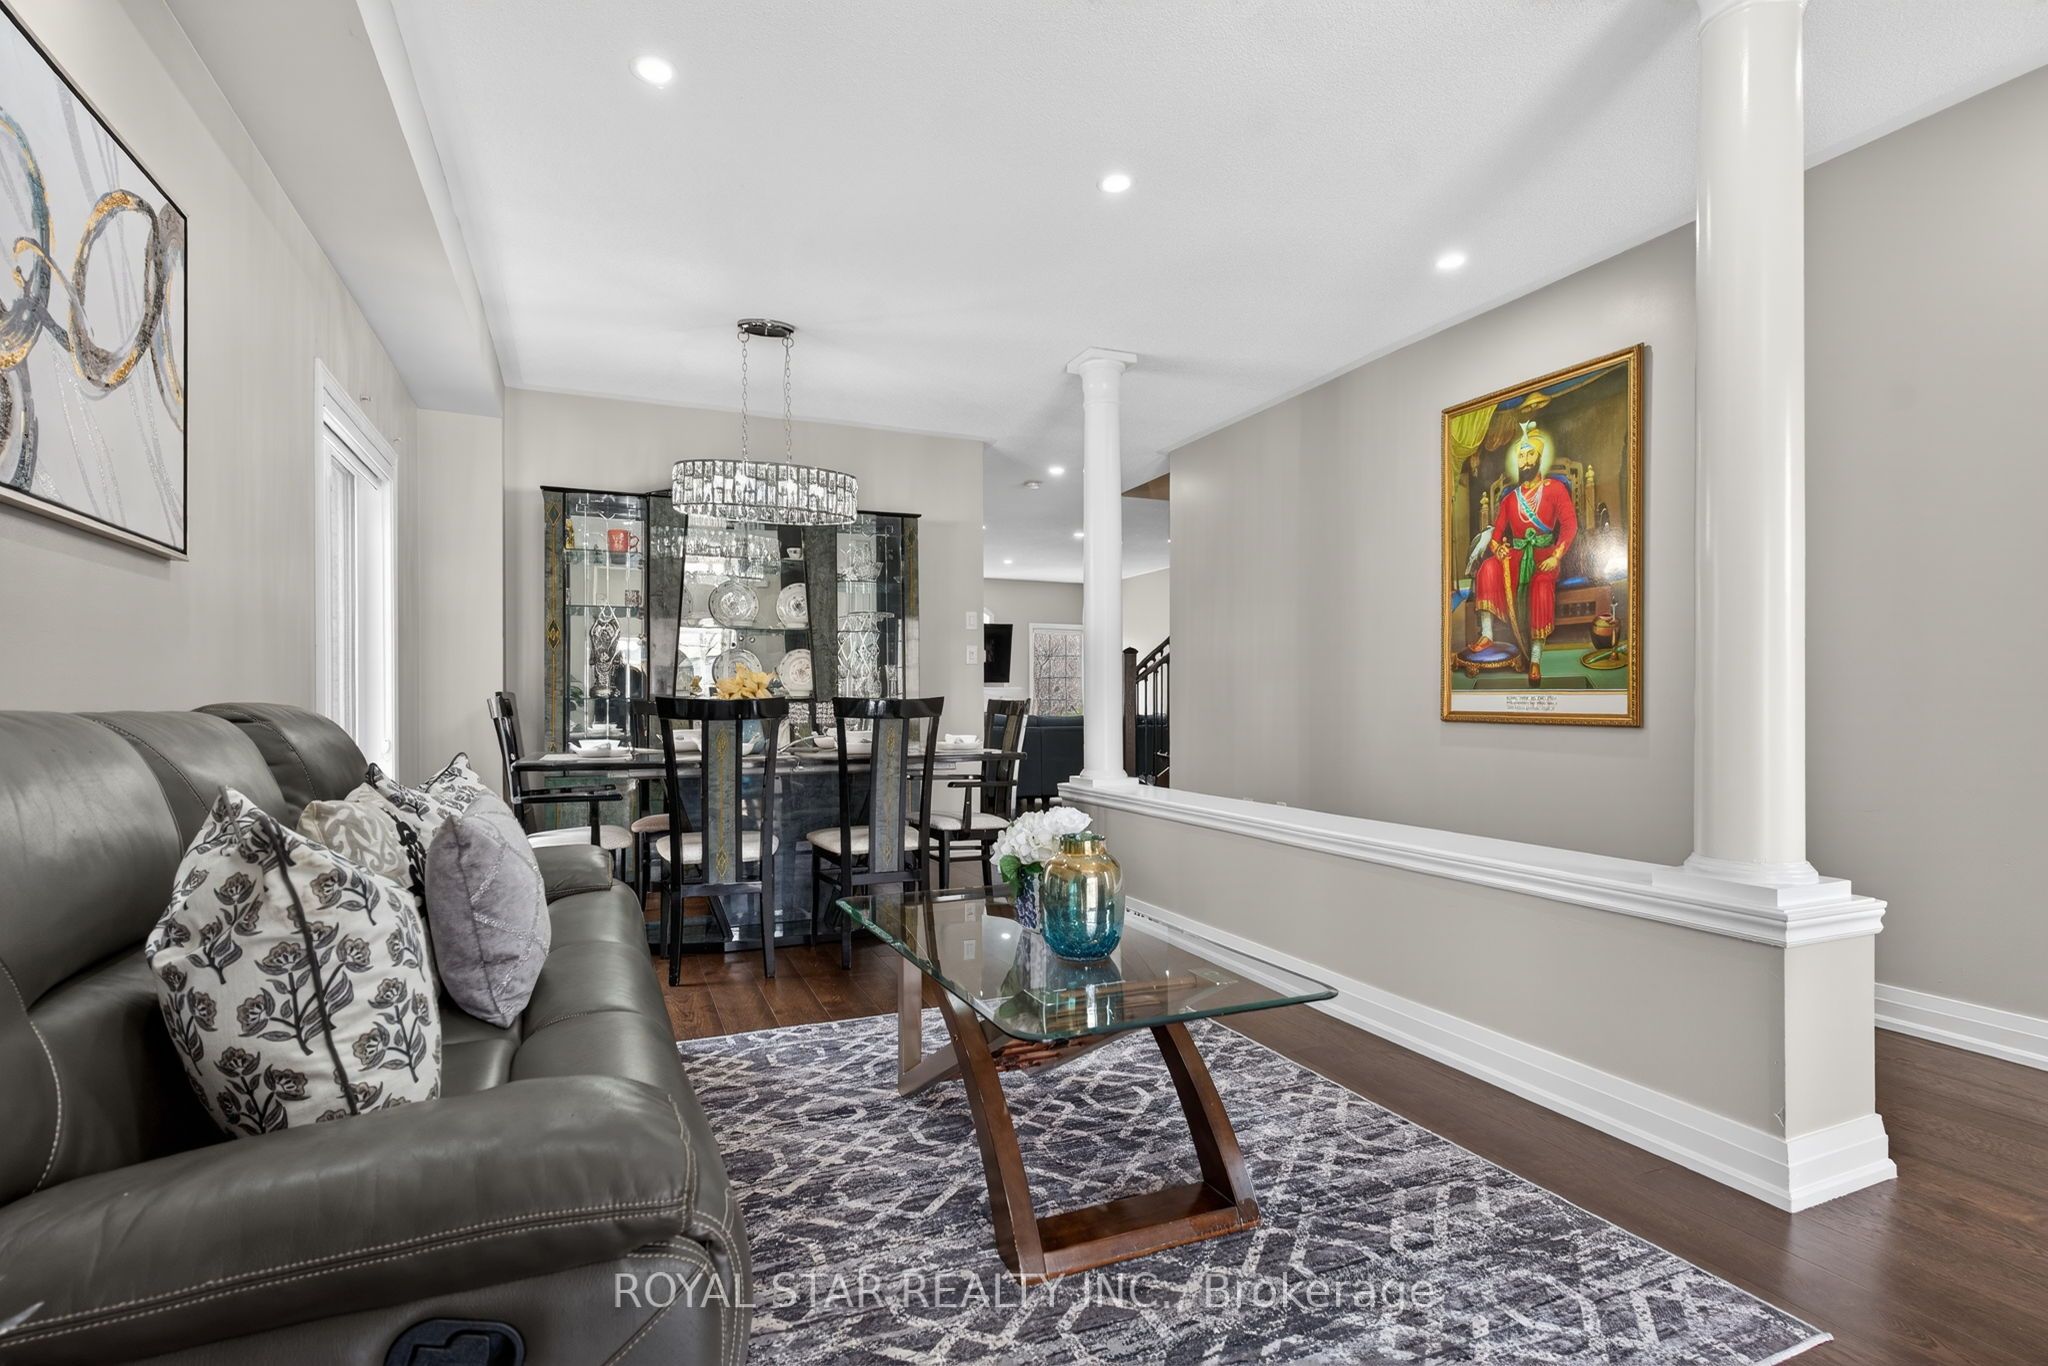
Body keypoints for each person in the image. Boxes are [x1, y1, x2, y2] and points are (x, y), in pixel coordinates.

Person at [1468, 419, 1578, 686]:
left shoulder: (1555, 489)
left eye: (1530, 455)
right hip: (1516, 557)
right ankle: (1487, 634)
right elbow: (1496, 537)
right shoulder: (1509, 499)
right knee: (1488, 568)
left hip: (1544, 556)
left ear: (1539, 458)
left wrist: (1556, 556)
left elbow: (1570, 526)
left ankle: (1536, 658)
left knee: (1540, 585)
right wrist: (1499, 549)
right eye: (1521, 456)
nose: (1525, 461)